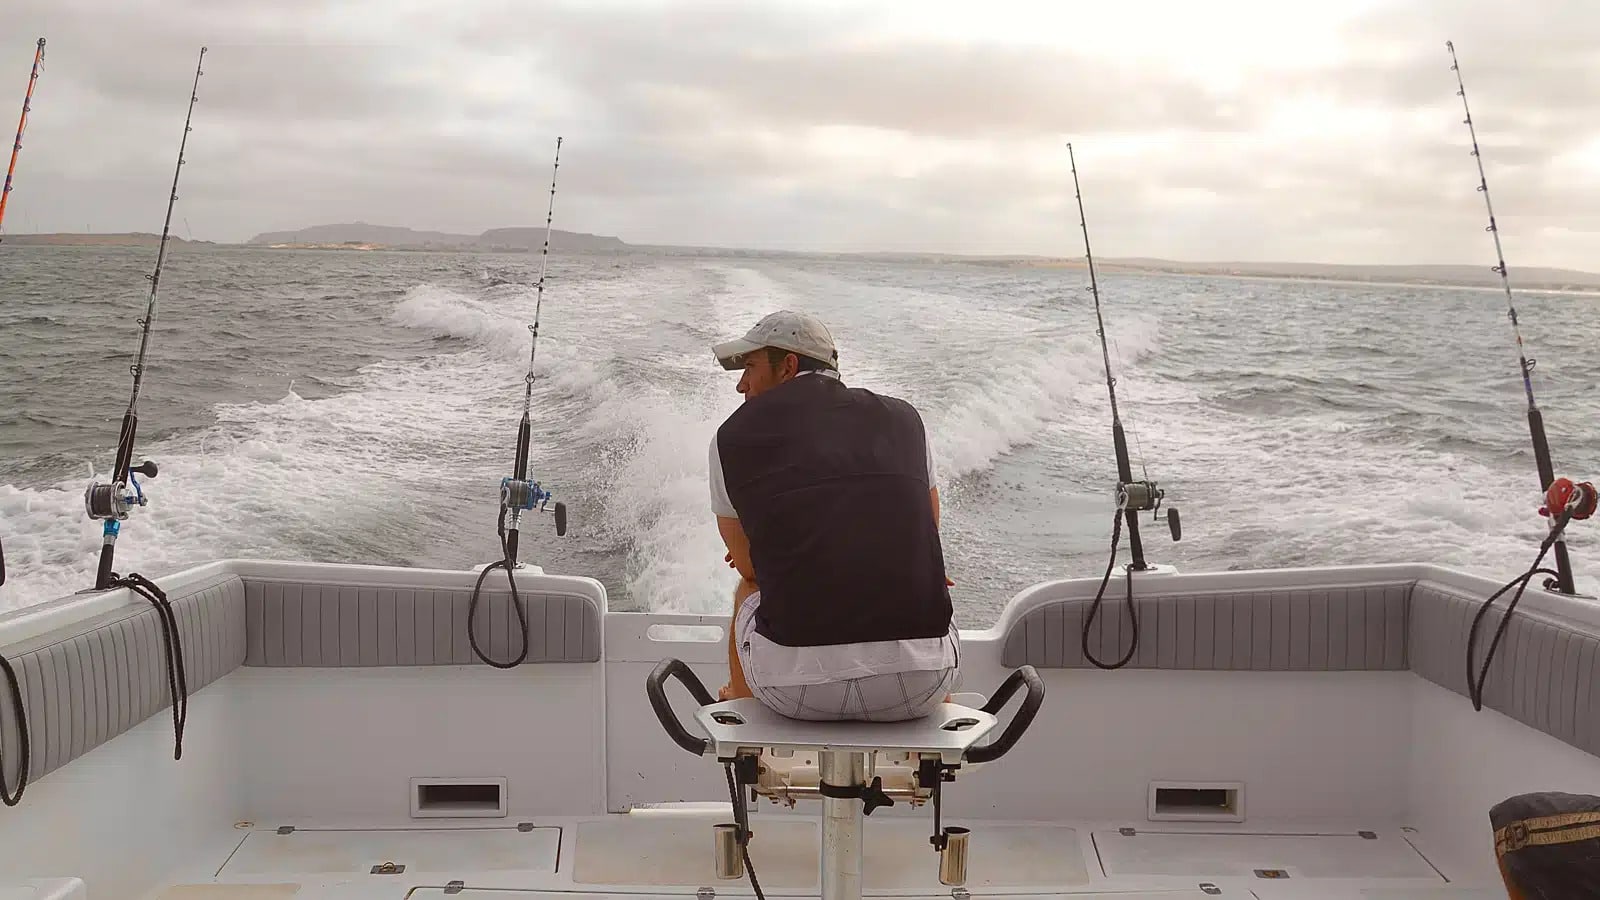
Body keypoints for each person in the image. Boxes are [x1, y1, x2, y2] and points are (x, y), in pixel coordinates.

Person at [708, 310, 959, 722]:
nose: (741, 384)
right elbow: (927, 531)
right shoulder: (907, 420)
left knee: (746, 589)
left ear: (788, 365)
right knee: (932, 582)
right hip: (922, 686)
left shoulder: (730, 437)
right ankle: (930, 737)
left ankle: (740, 701)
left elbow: (752, 566)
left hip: (792, 691)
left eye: (750, 367)